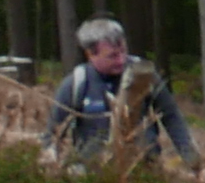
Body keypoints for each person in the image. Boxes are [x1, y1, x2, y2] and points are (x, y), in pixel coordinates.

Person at [39, 17, 196, 166]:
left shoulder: (143, 74)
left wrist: (191, 159)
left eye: (123, 51)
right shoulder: (76, 83)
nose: (121, 60)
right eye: (112, 56)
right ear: (91, 55)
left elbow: (171, 116)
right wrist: (51, 161)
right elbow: (54, 133)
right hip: (94, 173)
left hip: (144, 169)